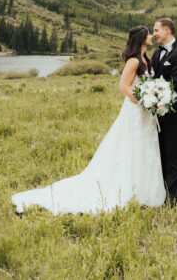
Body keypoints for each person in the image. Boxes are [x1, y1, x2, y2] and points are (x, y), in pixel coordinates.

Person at [11, 26, 166, 214]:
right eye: (148, 33)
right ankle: (126, 188)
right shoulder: (133, 61)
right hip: (134, 112)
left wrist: (153, 96)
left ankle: (143, 189)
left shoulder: (146, 60)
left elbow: (146, 84)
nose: (151, 36)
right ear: (141, 39)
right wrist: (143, 101)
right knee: (130, 148)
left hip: (145, 115)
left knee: (145, 148)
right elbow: (124, 87)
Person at [150, 17, 177, 205]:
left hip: (173, 112)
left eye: (156, 30)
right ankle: (161, 190)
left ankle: (173, 198)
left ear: (167, 30)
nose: (154, 34)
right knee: (160, 152)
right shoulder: (157, 54)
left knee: (172, 153)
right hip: (155, 112)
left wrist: (158, 99)